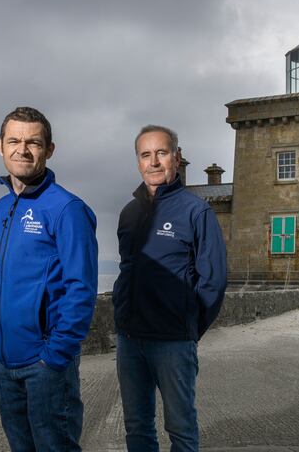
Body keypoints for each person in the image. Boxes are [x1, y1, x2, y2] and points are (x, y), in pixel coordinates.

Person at [0, 106, 98, 451]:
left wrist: (55, 354)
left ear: (49, 150)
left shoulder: (67, 209)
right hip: (1, 361)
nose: (22, 149)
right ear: (0, 146)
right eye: (14, 140)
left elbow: (81, 288)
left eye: (33, 142)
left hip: (45, 364)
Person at [113, 125, 227, 451]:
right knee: (137, 428)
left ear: (176, 158)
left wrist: (187, 325)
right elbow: (127, 270)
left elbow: (214, 281)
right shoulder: (128, 213)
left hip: (173, 342)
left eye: (161, 153)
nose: (153, 162)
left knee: (181, 430)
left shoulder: (197, 211)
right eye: (145, 154)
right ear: (138, 161)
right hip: (129, 339)